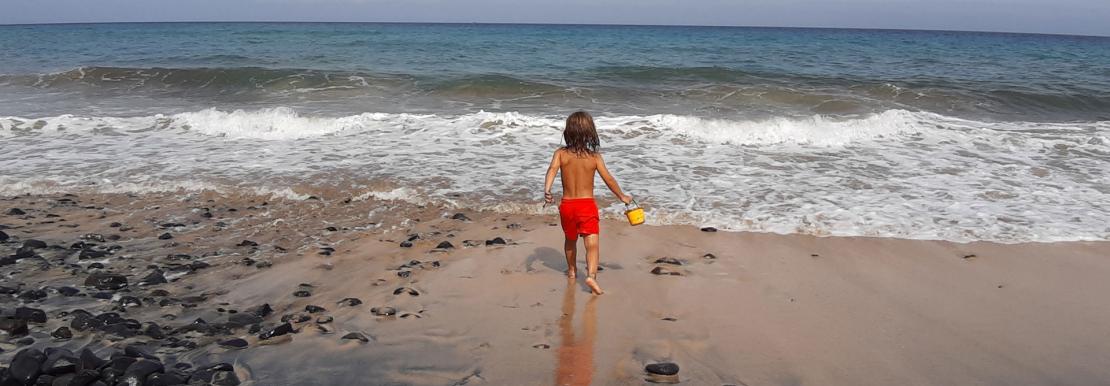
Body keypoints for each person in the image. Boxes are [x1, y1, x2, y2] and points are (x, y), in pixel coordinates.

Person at [544, 111, 632, 295]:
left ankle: (572, 271)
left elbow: (551, 170)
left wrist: (547, 189)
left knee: (570, 241)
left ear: (568, 131)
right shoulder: (594, 157)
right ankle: (591, 275)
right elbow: (608, 179)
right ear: (590, 132)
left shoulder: (560, 154)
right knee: (592, 245)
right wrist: (622, 197)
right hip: (586, 206)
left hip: (567, 206)